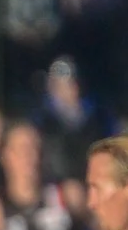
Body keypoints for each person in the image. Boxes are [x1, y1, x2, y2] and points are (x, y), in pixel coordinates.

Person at [32, 57, 118, 210]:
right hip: (52, 188)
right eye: (60, 85)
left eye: (70, 83)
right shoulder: (41, 121)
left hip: (92, 185)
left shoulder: (98, 117)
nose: (67, 89)